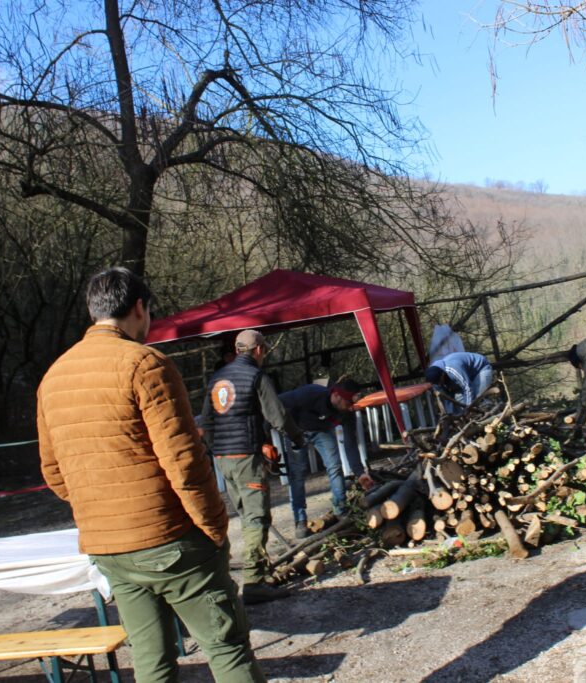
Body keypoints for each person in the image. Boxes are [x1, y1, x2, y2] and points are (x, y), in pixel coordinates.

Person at [37, 267, 264, 683]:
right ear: (139, 308)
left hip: (109, 549)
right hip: (170, 540)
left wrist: (103, 513)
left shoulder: (53, 376)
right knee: (228, 650)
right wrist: (213, 526)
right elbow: (184, 460)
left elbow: (54, 473)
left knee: (151, 662)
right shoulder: (144, 363)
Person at [201, 329, 305, 604]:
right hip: (246, 457)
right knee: (256, 518)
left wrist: (216, 450)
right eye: (265, 352)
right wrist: (298, 439)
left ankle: (260, 573)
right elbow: (278, 415)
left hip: (223, 460)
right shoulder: (256, 376)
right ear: (258, 350)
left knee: (246, 515)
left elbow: (208, 421)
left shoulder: (216, 379)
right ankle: (254, 582)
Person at [279, 379, 376, 538]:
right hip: (295, 431)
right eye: (347, 403)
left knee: (335, 466)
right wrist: (272, 430)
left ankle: (340, 510)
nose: (349, 408)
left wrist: (360, 473)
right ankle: (300, 521)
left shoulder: (347, 413)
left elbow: (351, 444)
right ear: (336, 395)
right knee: (297, 474)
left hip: (322, 432)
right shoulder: (310, 394)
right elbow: (276, 403)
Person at [424, 351, 494, 414]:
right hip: (467, 376)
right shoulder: (435, 378)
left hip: (480, 369)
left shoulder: (452, 369)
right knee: (459, 402)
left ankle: (491, 410)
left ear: (442, 374)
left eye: (439, 381)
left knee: (476, 399)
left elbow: (467, 388)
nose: (439, 384)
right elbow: (446, 398)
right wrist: (450, 415)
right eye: (436, 383)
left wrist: (468, 411)